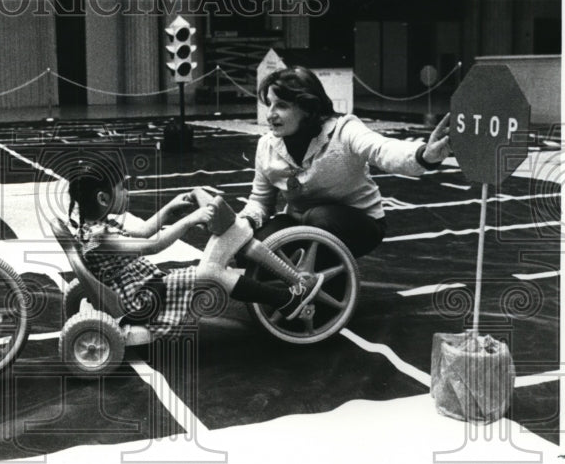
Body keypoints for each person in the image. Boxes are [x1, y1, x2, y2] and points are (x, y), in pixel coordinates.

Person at [66, 159, 324, 335]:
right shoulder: (101, 238)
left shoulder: (97, 227)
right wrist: (191, 219)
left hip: (149, 288)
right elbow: (152, 246)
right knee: (211, 273)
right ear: (103, 198)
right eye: (122, 189)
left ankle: (275, 293)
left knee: (209, 271)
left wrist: (170, 209)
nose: (127, 194)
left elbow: (144, 230)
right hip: (143, 302)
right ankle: (285, 301)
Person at [239, 66, 452, 257]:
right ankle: (301, 272)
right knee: (251, 251)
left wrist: (424, 155)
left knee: (318, 218)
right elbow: (260, 201)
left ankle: (326, 283)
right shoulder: (266, 145)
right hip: (303, 222)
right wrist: (245, 222)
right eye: (269, 104)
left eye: (281, 105)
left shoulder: (344, 130)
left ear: (307, 107)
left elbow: (381, 149)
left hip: (359, 224)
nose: (270, 114)